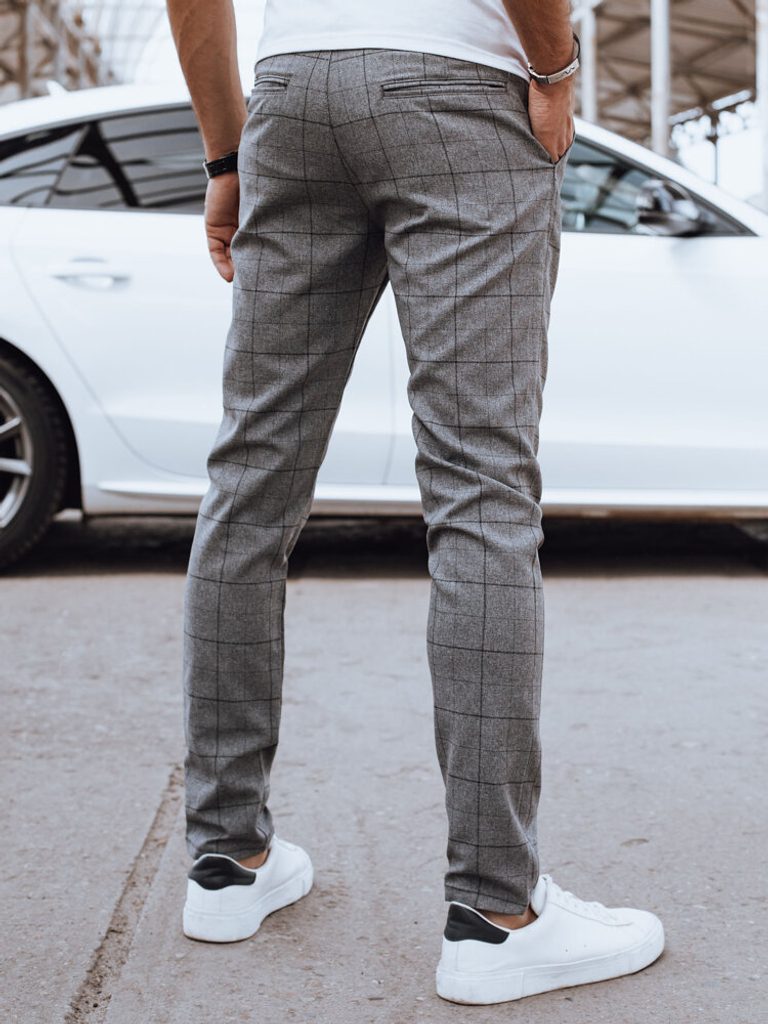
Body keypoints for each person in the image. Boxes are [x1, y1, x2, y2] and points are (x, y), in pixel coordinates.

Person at [167, 0, 665, 1004]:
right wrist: (554, 67)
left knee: (250, 481)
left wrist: (227, 153)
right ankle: (495, 912)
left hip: (292, 93)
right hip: (462, 86)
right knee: (480, 490)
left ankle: (226, 861)